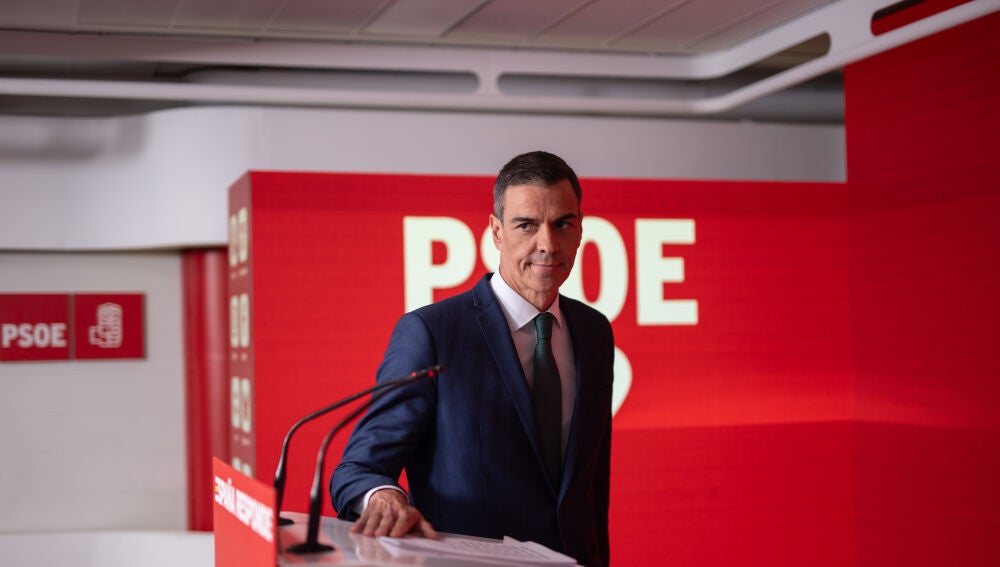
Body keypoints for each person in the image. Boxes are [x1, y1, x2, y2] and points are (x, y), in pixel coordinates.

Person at [330, 150, 614, 567]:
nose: (548, 245)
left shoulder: (595, 332)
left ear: (580, 229)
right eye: (526, 225)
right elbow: (357, 468)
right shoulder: (432, 332)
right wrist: (384, 495)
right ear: (496, 232)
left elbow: (592, 487)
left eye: (562, 224)